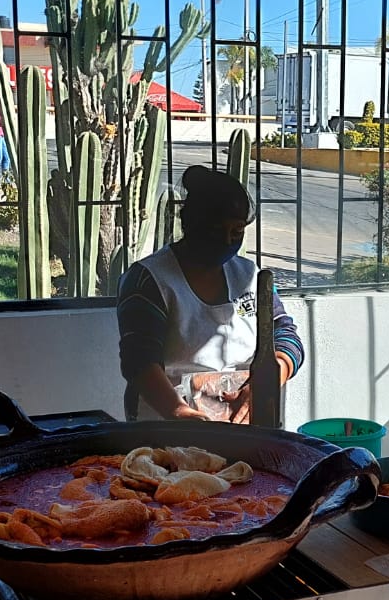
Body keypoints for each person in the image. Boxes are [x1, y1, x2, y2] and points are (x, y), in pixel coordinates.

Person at [117, 165, 303, 421]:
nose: (227, 241)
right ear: (190, 224)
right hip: (166, 424)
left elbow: (284, 333)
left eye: (236, 232)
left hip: (245, 425)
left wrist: (270, 379)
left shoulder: (249, 276)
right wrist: (179, 413)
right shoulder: (149, 281)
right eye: (216, 231)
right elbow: (139, 362)